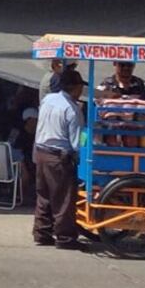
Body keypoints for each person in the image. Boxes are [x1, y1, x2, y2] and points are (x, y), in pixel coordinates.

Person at [32, 69, 87, 250]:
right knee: (63, 198)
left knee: (44, 195)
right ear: (76, 88)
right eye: (80, 87)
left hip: (41, 153)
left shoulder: (48, 100)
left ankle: (42, 232)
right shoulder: (72, 110)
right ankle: (65, 238)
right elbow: (77, 142)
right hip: (58, 156)